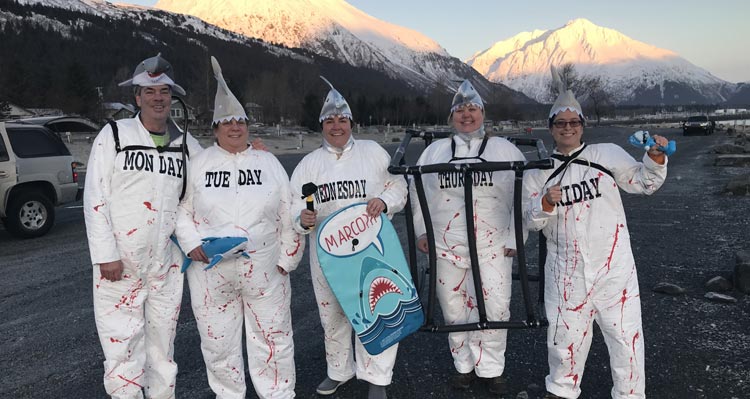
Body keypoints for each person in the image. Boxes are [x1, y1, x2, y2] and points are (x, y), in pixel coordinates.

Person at [523, 66, 670, 399]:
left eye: (573, 122)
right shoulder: (538, 171)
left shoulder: (606, 154)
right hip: (565, 274)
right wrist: (545, 203)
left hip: (614, 270)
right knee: (564, 341)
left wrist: (655, 158)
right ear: (550, 128)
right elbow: (531, 223)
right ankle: (561, 391)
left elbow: (644, 183)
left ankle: (630, 395)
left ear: (582, 125)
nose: (567, 128)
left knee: (626, 339)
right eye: (560, 123)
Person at [175, 56, 303, 399]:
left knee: (273, 336)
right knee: (218, 341)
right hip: (210, 272)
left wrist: (286, 260)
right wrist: (190, 244)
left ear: (248, 126)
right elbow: (180, 209)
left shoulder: (268, 162)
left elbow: (288, 211)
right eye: (227, 123)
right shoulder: (198, 165)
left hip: (265, 269)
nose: (235, 128)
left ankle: (277, 393)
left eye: (241, 122)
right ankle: (228, 393)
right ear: (215, 128)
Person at [84, 53, 202, 398]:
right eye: (149, 91)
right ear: (137, 97)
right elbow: (95, 198)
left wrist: (248, 152)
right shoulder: (115, 136)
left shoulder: (185, 145)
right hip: (120, 264)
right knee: (122, 346)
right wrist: (105, 254)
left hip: (164, 265)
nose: (157, 97)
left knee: (163, 348)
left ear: (172, 96)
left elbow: (198, 190)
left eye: (164, 90)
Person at [289, 77, 408, 399]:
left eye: (342, 120)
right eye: (330, 120)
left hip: (370, 246)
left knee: (377, 308)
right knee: (333, 314)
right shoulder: (308, 164)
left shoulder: (373, 153)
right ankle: (339, 371)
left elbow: (398, 187)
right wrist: (302, 219)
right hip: (326, 252)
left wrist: (385, 202)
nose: (336, 126)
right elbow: (293, 206)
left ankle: (377, 378)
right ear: (321, 125)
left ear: (351, 123)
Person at [410, 80, 526, 395]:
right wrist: (422, 230)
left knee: (495, 307)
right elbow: (418, 193)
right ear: (451, 117)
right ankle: (463, 365)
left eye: (472, 109)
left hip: (493, 247)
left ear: (482, 113)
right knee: (453, 307)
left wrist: (517, 237)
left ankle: (491, 369)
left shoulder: (504, 150)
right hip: (447, 247)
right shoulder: (435, 152)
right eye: (460, 110)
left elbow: (524, 196)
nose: (466, 115)